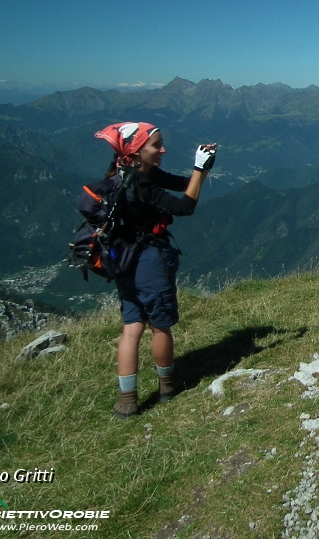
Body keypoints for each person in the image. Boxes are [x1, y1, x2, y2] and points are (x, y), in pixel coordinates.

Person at [93, 121, 216, 418]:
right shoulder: (142, 183)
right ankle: (168, 384)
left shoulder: (126, 174)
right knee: (160, 325)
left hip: (123, 258)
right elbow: (185, 206)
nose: (162, 149)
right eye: (155, 145)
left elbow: (179, 183)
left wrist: (202, 167)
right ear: (136, 151)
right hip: (149, 258)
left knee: (132, 327)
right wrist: (200, 171)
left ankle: (127, 399)